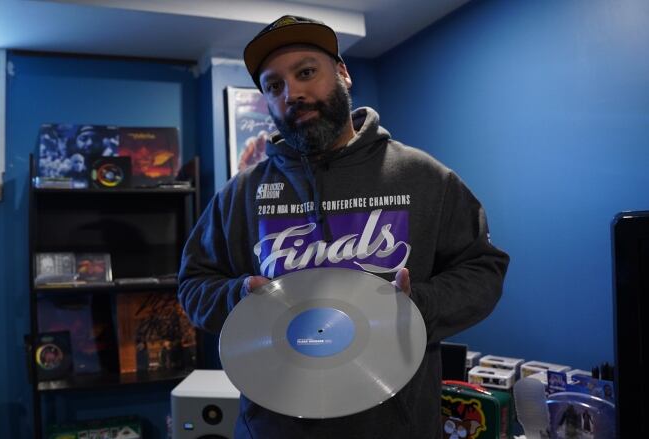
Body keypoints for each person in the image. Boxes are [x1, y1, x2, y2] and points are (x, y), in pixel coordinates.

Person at [178, 15, 509, 439]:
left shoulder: (423, 177)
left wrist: (417, 305)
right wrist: (239, 297)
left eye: (306, 72)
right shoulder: (240, 194)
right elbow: (193, 284)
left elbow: (483, 269)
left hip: (396, 426)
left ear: (343, 73)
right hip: (274, 428)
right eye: (274, 86)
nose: (292, 93)